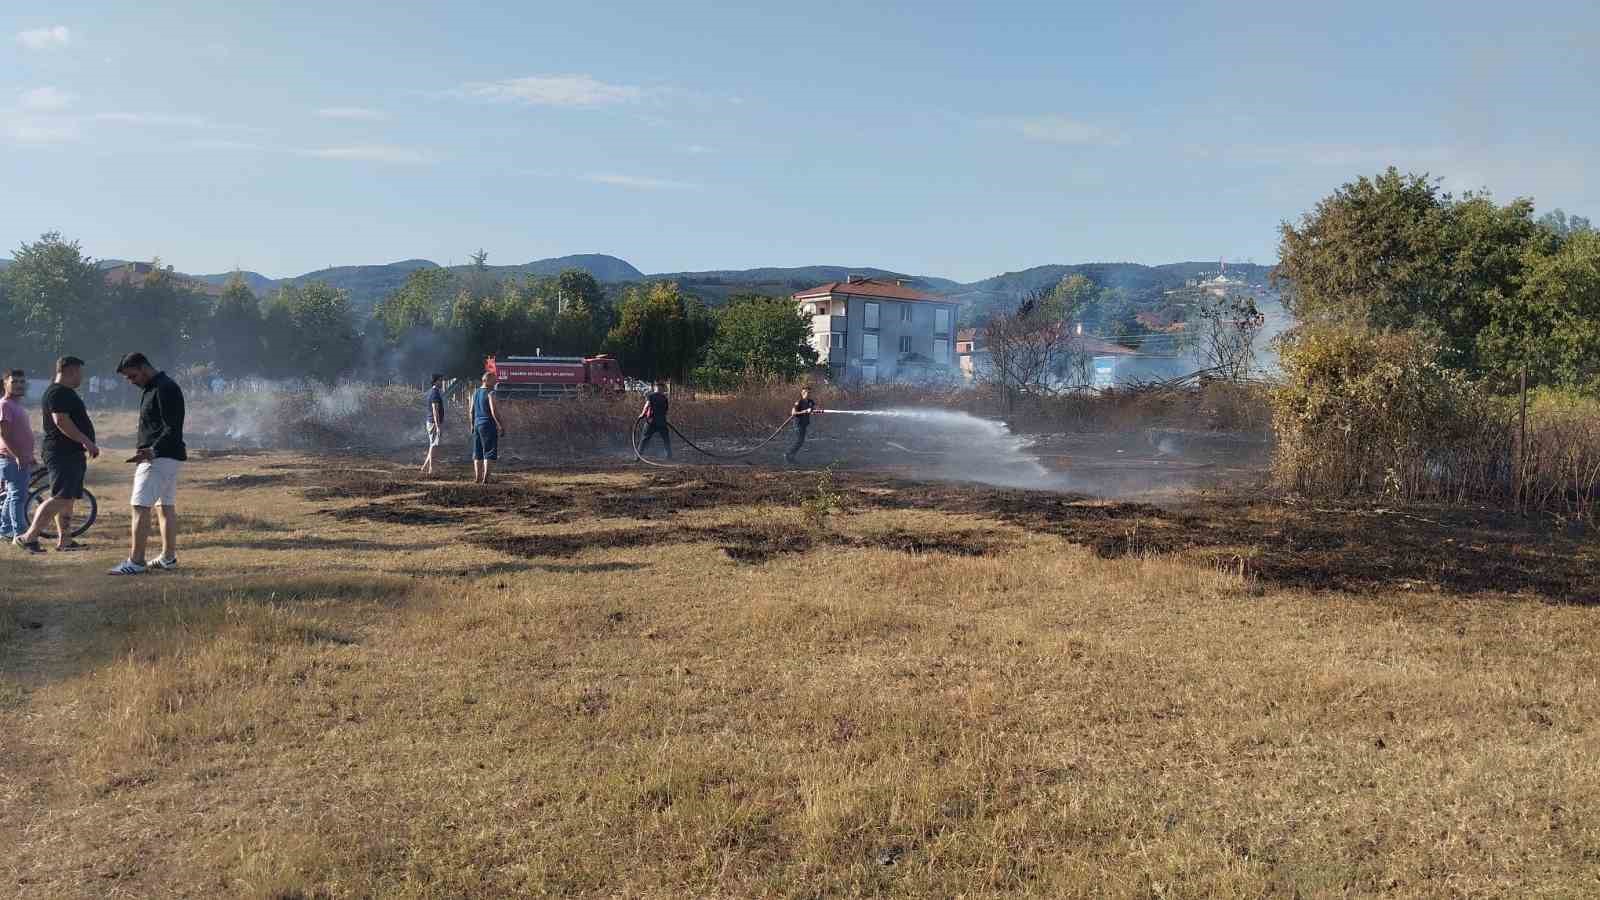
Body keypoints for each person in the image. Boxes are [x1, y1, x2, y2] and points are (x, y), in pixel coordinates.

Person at [106, 353, 186, 575]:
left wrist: (152, 450)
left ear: (144, 368)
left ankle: (136, 561)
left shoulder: (164, 388)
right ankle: (168, 558)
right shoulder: (154, 387)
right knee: (165, 506)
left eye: (132, 376)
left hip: (158, 458)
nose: (131, 381)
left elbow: (173, 427)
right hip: (166, 457)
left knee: (140, 506)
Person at [14, 356, 98, 554]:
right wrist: (86, 441)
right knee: (60, 497)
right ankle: (29, 537)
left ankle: (65, 540)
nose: (81, 377)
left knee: (67, 498)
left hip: (70, 453)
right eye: (80, 372)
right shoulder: (58, 392)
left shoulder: (64, 392)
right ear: (71, 370)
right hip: (62, 453)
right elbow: (60, 420)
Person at [1, 370, 37, 540]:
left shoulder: (16, 406)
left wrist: (28, 455)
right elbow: (4, 435)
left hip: (19, 458)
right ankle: (20, 535)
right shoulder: (5, 405)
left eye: (22, 382)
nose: (19, 385)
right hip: (12, 459)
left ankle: (6, 530)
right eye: (14, 382)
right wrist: (18, 456)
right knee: (18, 497)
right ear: (5, 384)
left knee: (12, 495)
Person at [470, 371, 504, 484]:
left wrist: (472, 425)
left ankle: (477, 478)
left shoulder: (475, 392)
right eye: (494, 379)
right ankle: (486, 479)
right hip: (488, 424)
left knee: (478, 452)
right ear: (487, 380)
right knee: (489, 451)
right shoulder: (491, 393)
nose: (496, 381)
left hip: (477, 424)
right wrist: (500, 425)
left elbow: (471, 411)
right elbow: (494, 411)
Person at [784, 386, 822, 464]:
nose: (809, 394)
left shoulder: (810, 401)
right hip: (798, 424)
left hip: (804, 424)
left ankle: (791, 455)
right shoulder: (799, 402)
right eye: (807, 392)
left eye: (809, 392)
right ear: (802, 393)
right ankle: (788, 454)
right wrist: (805, 411)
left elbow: (813, 409)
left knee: (801, 441)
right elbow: (793, 413)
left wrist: (817, 411)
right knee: (800, 440)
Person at [636, 380, 672, 459]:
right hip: (662, 422)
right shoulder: (664, 398)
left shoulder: (651, 396)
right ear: (662, 388)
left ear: (656, 387)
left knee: (644, 439)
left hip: (651, 422)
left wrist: (642, 414)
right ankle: (669, 455)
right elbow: (666, 410)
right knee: (666, 439)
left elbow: (647, 406)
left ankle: (638, 456)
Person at [421, 373, 446, 476]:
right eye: (440, 380)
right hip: (433, 422)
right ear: (435, 381)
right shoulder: (435, 393)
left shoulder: (433, 392)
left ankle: (424, 467)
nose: (442, 382)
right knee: (434, 445)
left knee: (433, 445)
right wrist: (438, 426)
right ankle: (431, 468)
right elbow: (435, 410)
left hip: (431, 422)